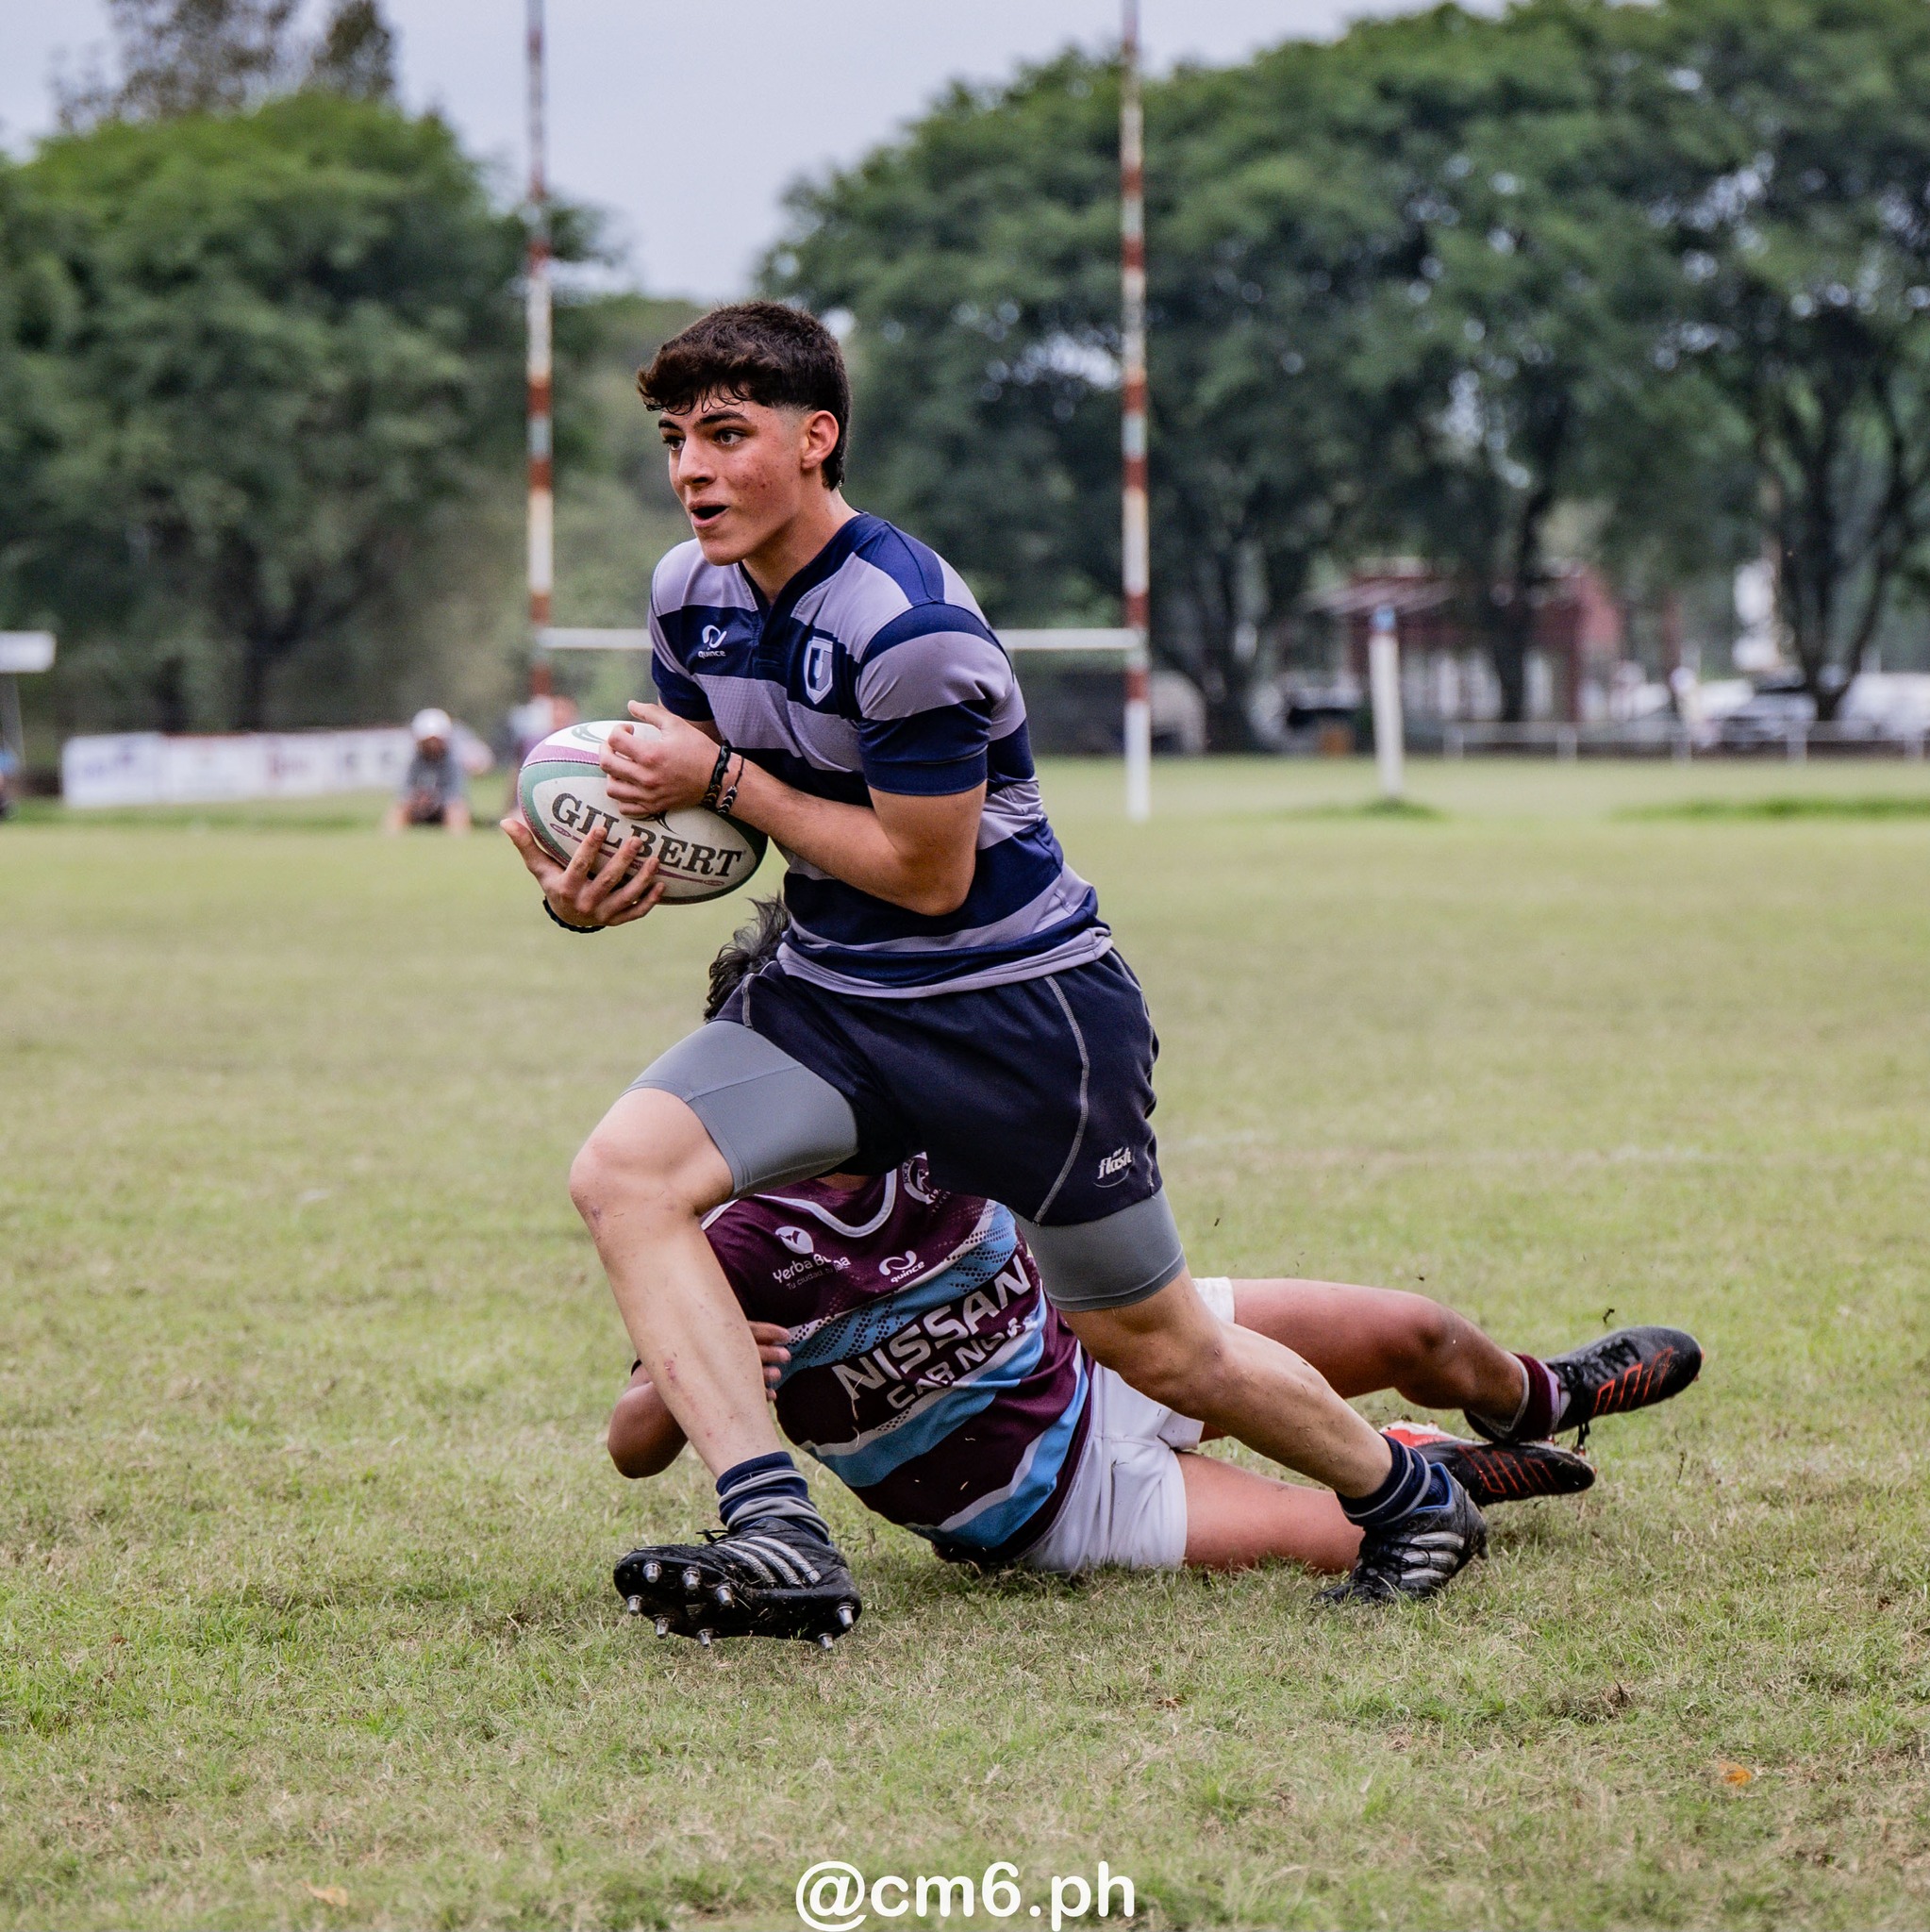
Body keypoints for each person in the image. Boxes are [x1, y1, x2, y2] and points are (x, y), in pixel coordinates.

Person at [501, 300, 1697, 1641]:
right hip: (835, 990)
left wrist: (720, 774)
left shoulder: (912, 628)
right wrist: (595, 887)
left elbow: (925, 874)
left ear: (817, 438)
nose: (692, 471)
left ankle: (1405, 1492)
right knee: (623, 1175)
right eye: (676, 440)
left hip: (1018, 1012)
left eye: (726, 435)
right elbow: (714, 828)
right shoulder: (688, 598)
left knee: (1153, 1342)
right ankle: (777, 1529)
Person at [599, 909, 1703, 1641]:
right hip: (1060, 1499)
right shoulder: (734, 1236)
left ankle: (1537, 1395)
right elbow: (632, 1444)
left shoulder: (947, 1115)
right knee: (1345, 1525)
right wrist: (681, 1385)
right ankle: (1428, 1463)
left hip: (1111, 1346)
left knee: (1415, 1330)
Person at [385, 708, 472, 835]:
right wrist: (418, 799)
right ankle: (390, 839)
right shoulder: (412, 760)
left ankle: (458, 840)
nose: (432, 745)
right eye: (428, 741)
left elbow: (455, 794)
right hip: (417, 805)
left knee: (456, 808)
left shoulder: (453, 761)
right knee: (400, 808)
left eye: (436, 740)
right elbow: (405, 792)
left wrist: (435, 799)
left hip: (444, 806)